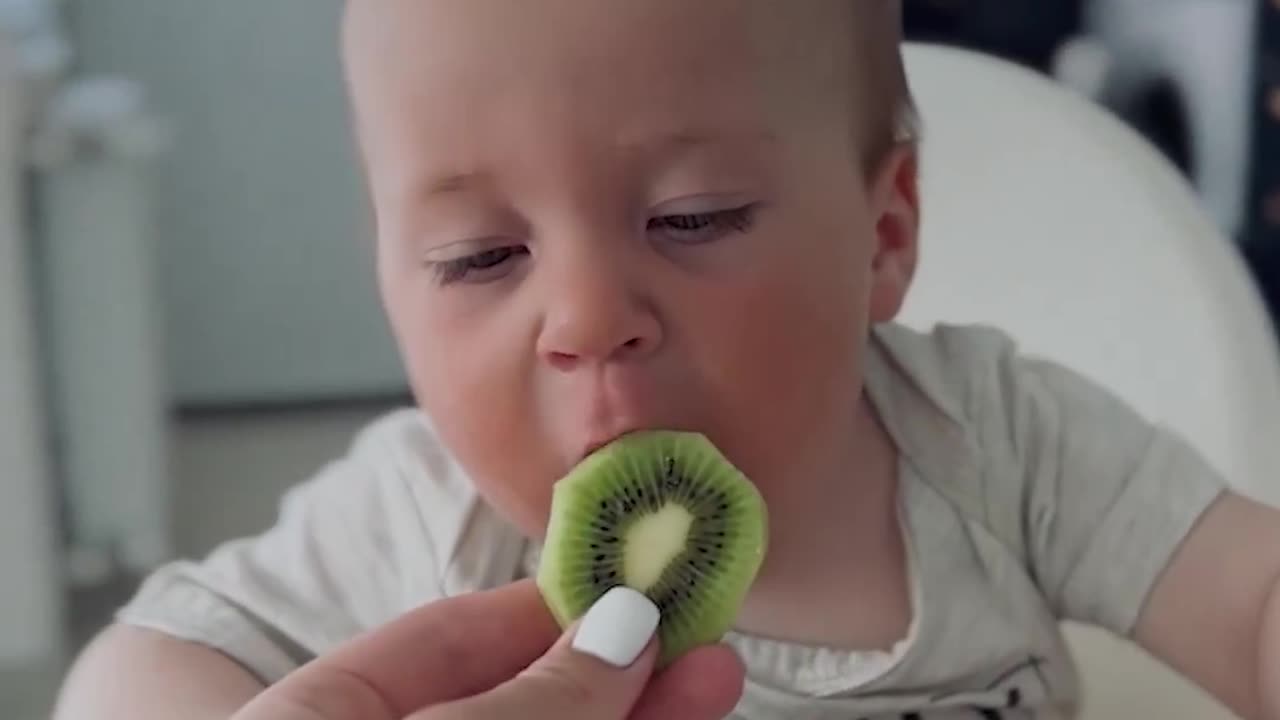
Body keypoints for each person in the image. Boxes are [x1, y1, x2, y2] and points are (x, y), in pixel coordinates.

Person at [51, 1, 1280, 718]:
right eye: (481, 255)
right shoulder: (424, 521)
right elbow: (137, 668)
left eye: (692, 219)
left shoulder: (999, 444)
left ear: (883, 236)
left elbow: (1252, 599)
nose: (586, 317)